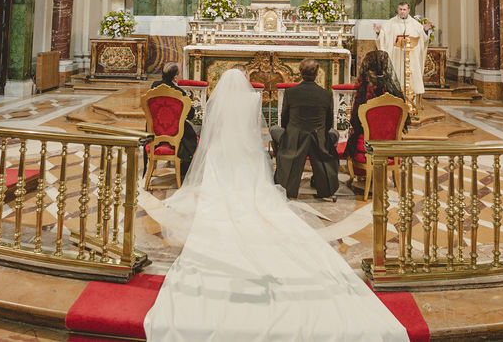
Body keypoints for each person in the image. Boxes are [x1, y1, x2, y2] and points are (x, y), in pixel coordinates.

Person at [142, 68, 408, 340]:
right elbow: (254, 132)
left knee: (218, 175)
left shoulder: (216, 102)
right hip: (254, 150)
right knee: (257, 179)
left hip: (225, 151)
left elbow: (212, 130)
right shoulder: (253, 100)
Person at [270, 59, 340, 201]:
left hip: (294, 139)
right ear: (317, 73)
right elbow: (328, 123)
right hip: (319, 140)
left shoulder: (290, 92)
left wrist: (293, 132)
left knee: (273, 129)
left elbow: (284, 120)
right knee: (335, 134)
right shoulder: (326, 94)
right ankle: (324, 184)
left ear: (300, 73)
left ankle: (285, 181)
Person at [343, 50, 405, 160]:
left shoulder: (365, 88)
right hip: (390, 140)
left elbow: (355, 120)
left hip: (369, 141)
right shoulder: (392, 89)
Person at [147, 62, 199, 178]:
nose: (181, 75)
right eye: (180, 73)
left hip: (154, 133)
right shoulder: (179, 92)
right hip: (174, 134)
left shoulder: (154, 86)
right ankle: (184, 168)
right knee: (191, 137)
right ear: (175, 77)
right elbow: (190, 115)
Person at [374, 1, 431, 98]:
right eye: (400, 9)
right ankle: (395, 100)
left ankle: (410, 100)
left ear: (408, 10)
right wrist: (379, 33)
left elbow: (422, 38)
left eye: (404, 9)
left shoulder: (415, 24)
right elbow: (383, 37)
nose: (402, 11)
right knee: (396, 78)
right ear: (397, 10)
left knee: (411, 79)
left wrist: (425, 31)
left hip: (411, 58)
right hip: (396, 57)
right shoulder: (390, 23)